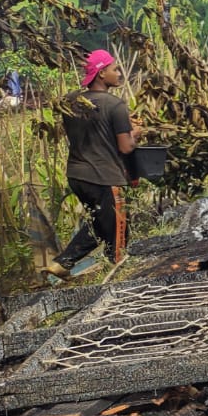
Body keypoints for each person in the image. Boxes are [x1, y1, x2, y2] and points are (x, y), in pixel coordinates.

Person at [43, 50, 136, 279]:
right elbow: (125, 147)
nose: (118, 73)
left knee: (102, 221)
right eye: (114, 69)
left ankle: (63, 263)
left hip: (77, 175)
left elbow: (94, 129)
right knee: (117, 229)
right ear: (101, 73)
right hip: (103, 175)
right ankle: (116, 275)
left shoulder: (71, 102)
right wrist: (137, 133)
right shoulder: (115, 105)